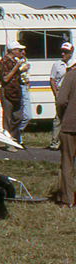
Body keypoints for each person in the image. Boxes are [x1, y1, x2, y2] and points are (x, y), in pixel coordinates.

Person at [54, 54, 76, 207]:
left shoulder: (70, 76)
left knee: (67, 163)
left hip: (70, 124)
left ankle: (68, 200)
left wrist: (64, 117)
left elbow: (61, 100)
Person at [0, 40, 25, 149]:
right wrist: (16, 67)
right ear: (13, 50)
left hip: (16, 91)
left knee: (19, 116)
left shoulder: (14, 61)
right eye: (19, 50)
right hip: (7, 91)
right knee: (8, 118)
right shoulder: (4, 61)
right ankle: (8, 143)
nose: (21, 52)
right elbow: (5, 78)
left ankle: (13, 137)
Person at [48, 42, 73, 150]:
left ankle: (68, 142)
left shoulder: (73, 64)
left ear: (71, 53)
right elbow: (52, 80)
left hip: (72, 93)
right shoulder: (57, 64)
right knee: (58, 118)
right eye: (62, 51)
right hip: (60, 91)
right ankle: (55, 142)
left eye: (66, 52)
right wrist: (56, 94)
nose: (63, 54)